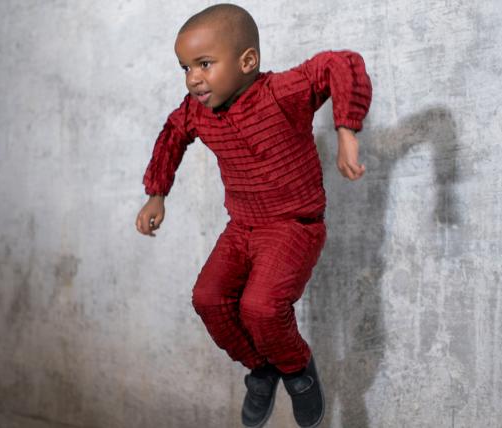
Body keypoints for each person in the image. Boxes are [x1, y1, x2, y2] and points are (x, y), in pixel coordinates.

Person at [134, 3, 372, 427]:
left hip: (292, 227)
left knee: (260, 308)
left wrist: (346, 129)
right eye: (185, 68)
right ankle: (262, 369)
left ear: (248, 61)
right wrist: (157, 193)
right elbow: (172, 134)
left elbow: (341, 63)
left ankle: (297, 370)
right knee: (208, 299)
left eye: (204, 64)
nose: (193, 79)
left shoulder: (281, 93)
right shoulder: (198, 111)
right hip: (241, 227)